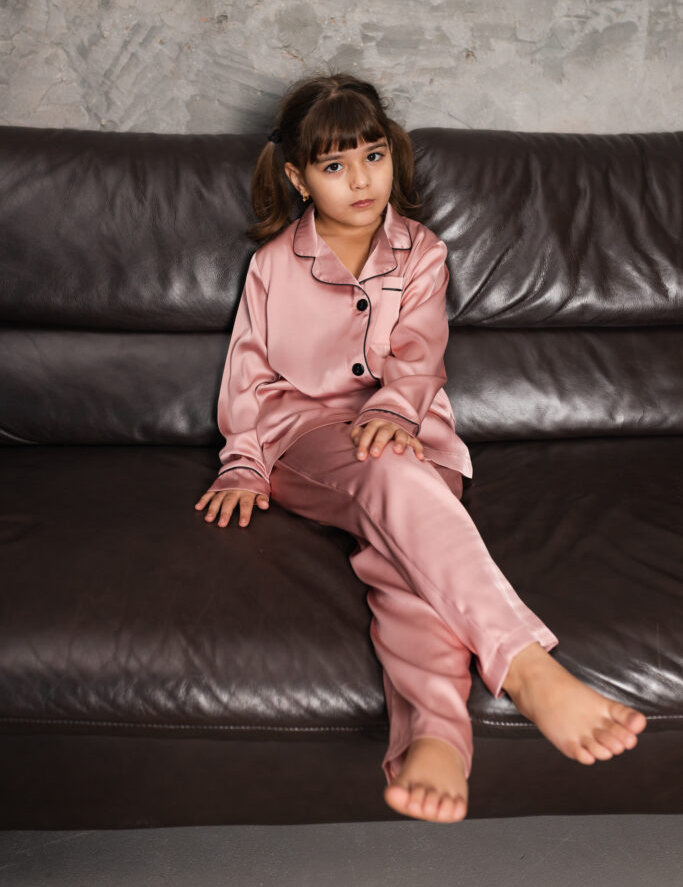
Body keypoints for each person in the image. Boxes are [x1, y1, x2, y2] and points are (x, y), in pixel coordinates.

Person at [194, 72, 647, 824]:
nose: (360, 180)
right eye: (334, 166)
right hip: (305, 439)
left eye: (372, 156)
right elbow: (249, 375)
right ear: (298, 178)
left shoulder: (421, 252)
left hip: (411, 435)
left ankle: (434, 738)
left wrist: (395, 411)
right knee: (394, 485)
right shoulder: (273, 265)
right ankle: (524, 665)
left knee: (407, 556)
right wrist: (243, 463)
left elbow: (419, 352)